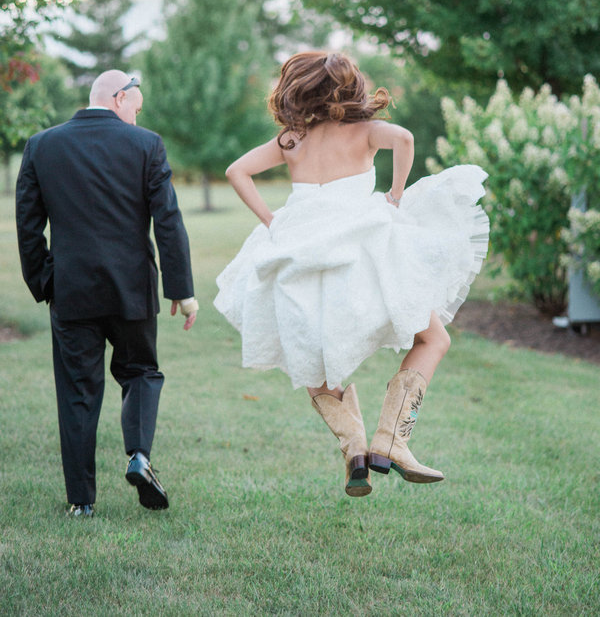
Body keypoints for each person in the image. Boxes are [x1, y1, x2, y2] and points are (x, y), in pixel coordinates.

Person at [214, 51, 489, 497]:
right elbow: (403, 138)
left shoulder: (292, 140)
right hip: (366, 256)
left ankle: (354, 447)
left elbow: (236, 171)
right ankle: (393, 440)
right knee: (432, 339)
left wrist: (272, 221)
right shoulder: (365, 131)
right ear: (351, 89)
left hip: (303, 259)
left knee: (315, 363)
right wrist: (395, 195)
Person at [15, 69, 198, 517]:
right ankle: (138, 455)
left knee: (78, 390)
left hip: (71, 289)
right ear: (118, 97)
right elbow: (168, 220)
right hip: (131, 287)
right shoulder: (146, 145)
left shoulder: (43, 145)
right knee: (140, 372)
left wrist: (45, 280)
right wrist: (182, 290)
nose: (139, 113)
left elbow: (27, 223)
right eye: (136, 104)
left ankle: (81, 502)